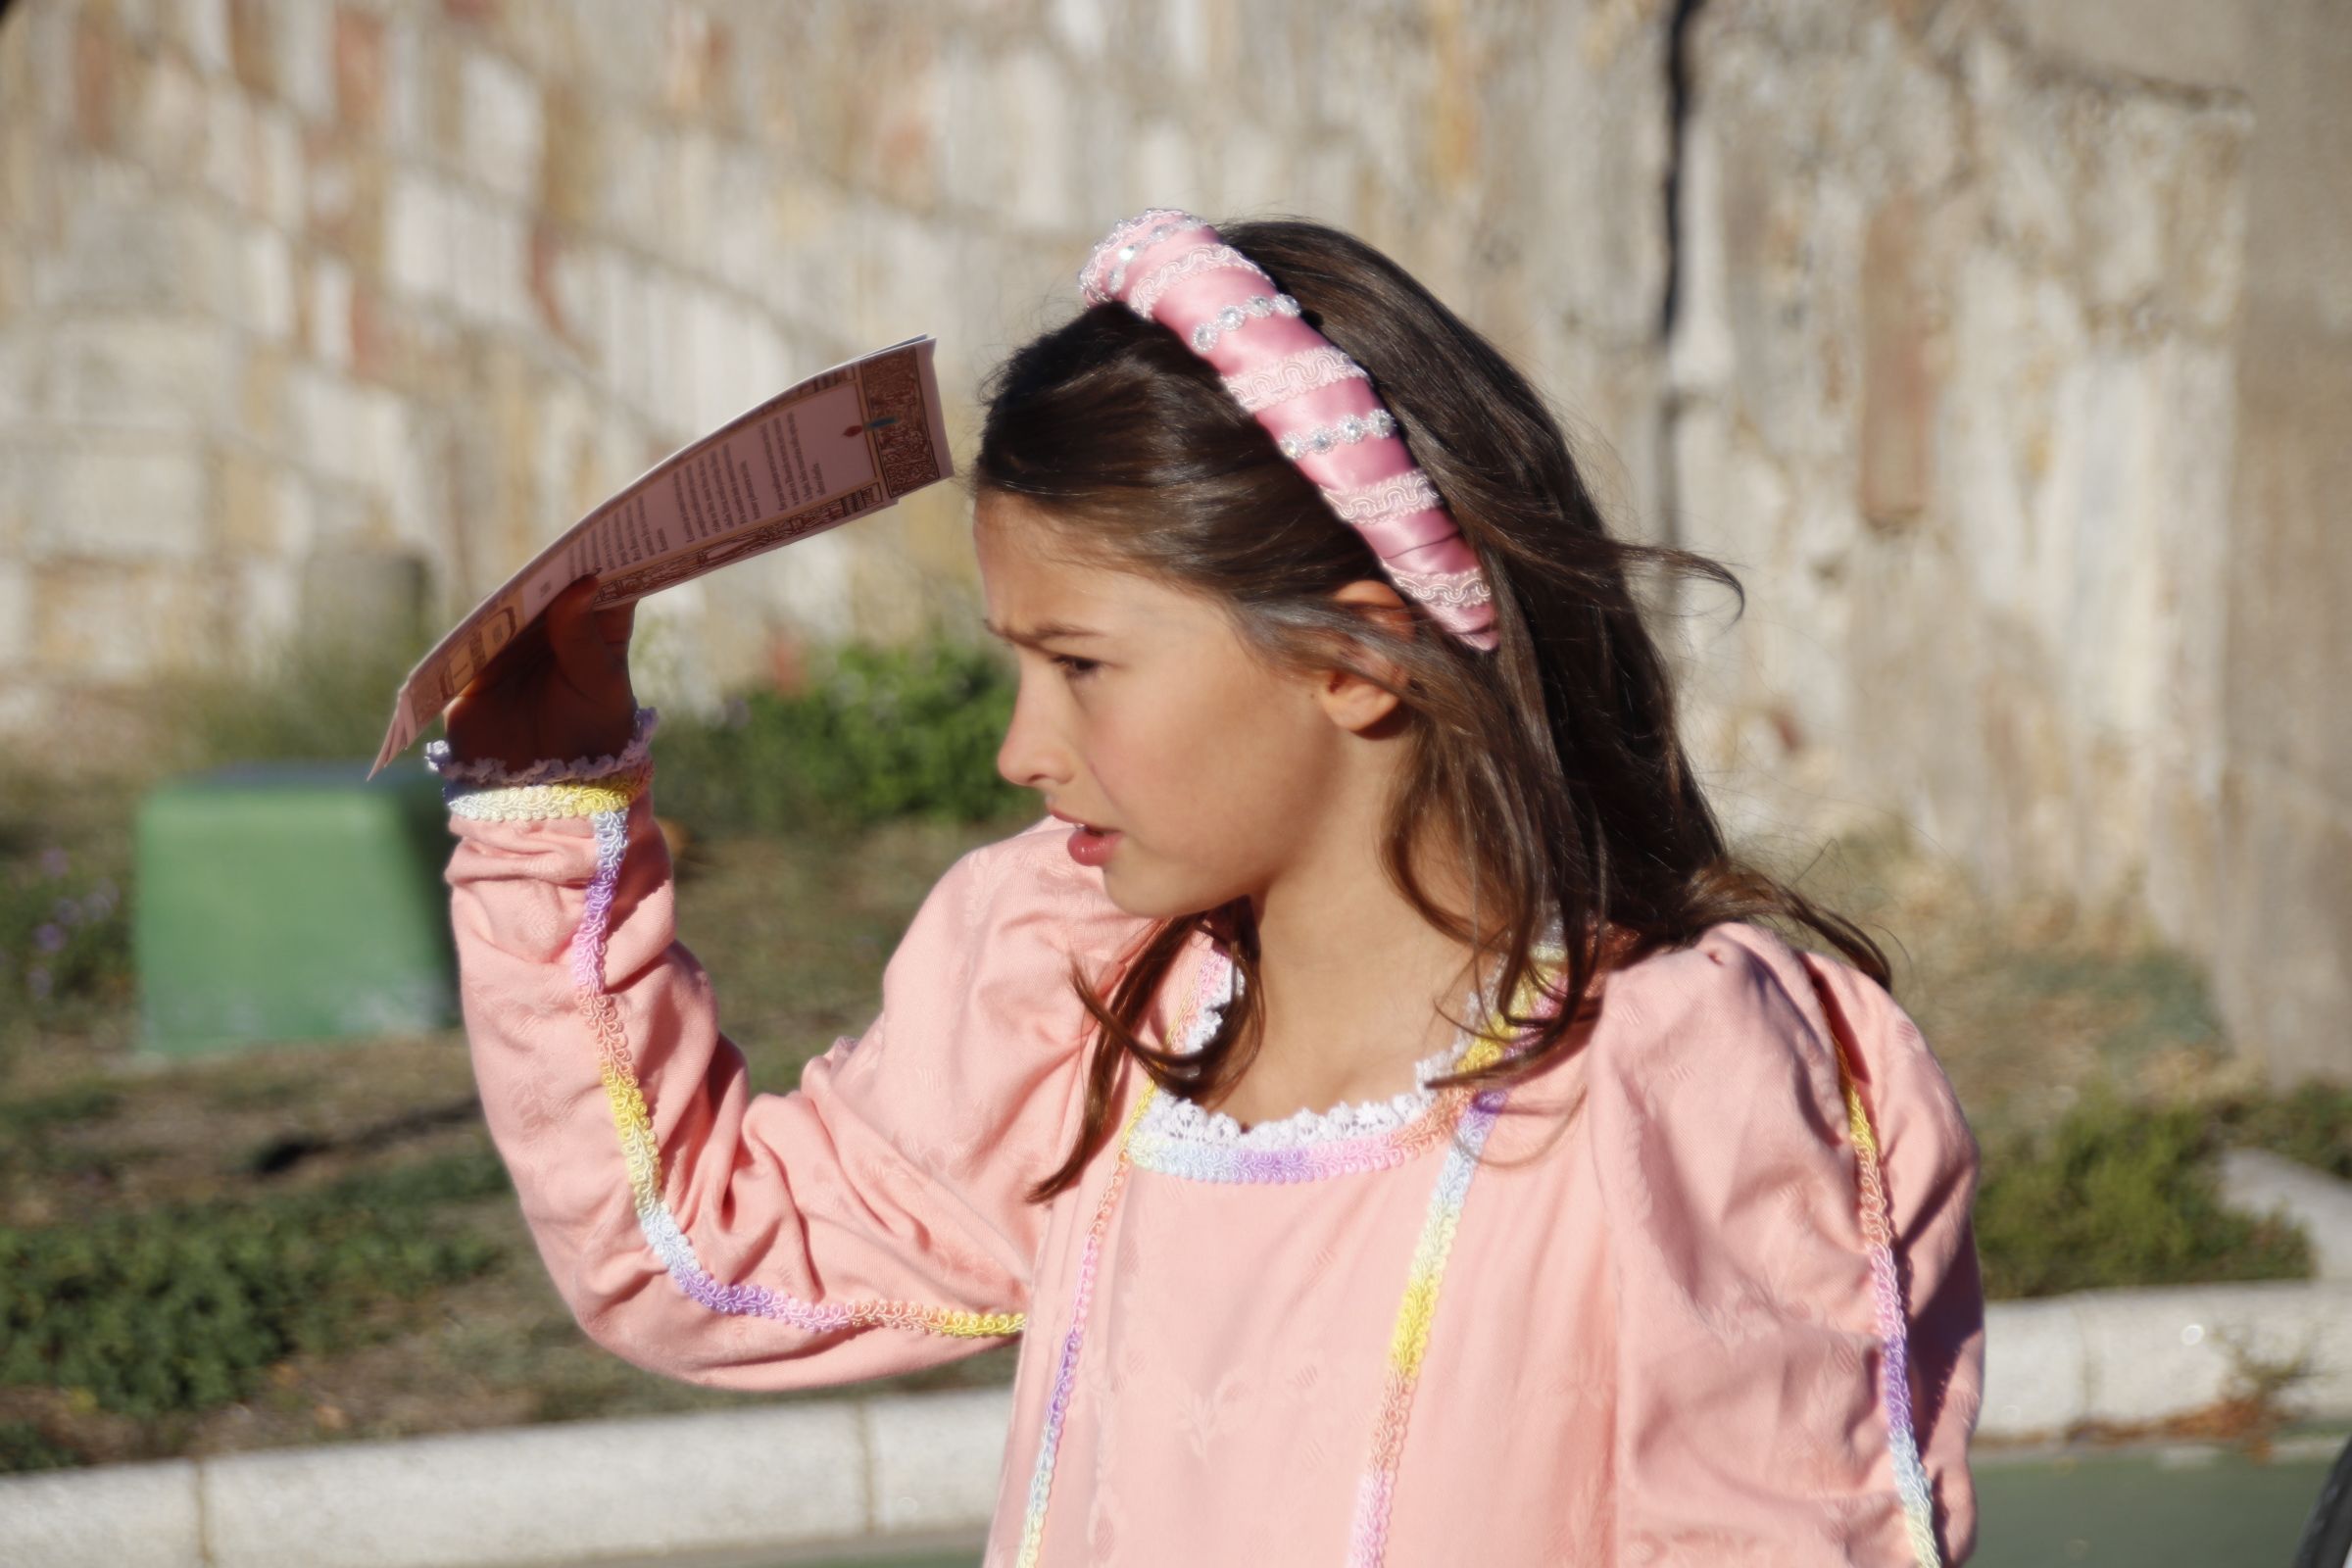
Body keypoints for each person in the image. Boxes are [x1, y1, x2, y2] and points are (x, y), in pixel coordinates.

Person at [432, 210, 1984, 1566]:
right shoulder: (1092, 1000)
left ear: (1357, 655)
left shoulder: (1669, 1079)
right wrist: (549, 809)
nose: (1020, 751)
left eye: (1082, 665)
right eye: (1016, 667)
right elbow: (700, 1258)